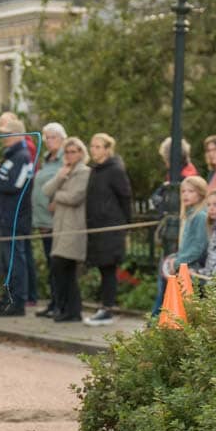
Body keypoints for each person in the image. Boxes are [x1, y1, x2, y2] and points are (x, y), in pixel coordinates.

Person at [0, 120, 34, 317]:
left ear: (18, 135)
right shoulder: (11, 156)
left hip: (14, 218)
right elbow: (3, 181)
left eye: (7, 133)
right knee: (6, 262)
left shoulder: (22, 156)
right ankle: (6, 299)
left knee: (15, 260)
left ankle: (18, 302)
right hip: (3, 216)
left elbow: (13, 185)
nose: (4, 137)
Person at [83, 133, 132, 326]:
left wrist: (126, 225)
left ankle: (108, 309)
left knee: (108, 268)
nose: (93, 150)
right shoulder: (95, 170)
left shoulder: (115, 170)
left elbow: (125, 197)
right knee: (103, 269)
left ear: (107, 149)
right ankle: (104, 306)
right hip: (96, 227)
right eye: (92, 146)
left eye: (97, 146)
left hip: (111, 227)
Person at [43, 138, 90, 323]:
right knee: (60, 269)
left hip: (73, 227)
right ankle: (65, 308)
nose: (70, 155)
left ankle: (71, 310)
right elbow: (46, 190)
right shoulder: (65, 172)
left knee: (63, 266)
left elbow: (75, 197)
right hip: (60, 226)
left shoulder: (84, 172)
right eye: (67, 151)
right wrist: (59, 177)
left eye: (74, 151)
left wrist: (58, 196)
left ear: (81, 153)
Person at [152, 177, 209, 317]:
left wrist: (177, 262)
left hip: (192, 269)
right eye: (183, 191)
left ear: (201, 194)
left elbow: (197, 247)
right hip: (184, 265)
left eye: (191, 191)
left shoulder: (200, 216)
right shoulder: (190, 215)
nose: (185, 195)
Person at [31, 122, 66, 318]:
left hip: (56, 220)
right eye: (46, 137)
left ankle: (61, 303)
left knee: (58, 265)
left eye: (52, 137)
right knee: (50, 265)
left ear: (62, 138)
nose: (48, 141)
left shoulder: (64, 159)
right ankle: (53, 302)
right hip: (42, 219)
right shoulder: (47, 159)